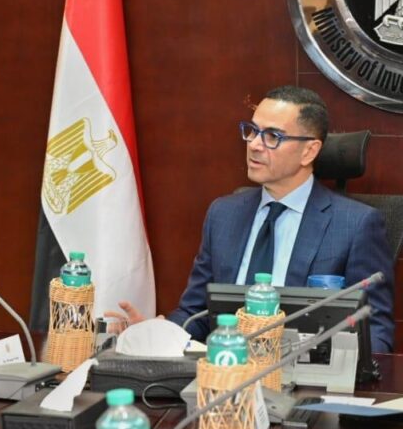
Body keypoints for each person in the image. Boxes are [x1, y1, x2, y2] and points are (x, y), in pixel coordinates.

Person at [106, 86, 395, 353]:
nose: (255, 144)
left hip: (304, 377)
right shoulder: (224, 214)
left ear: (309, 151)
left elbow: (376, 333)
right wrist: (155, 334)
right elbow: (195, 314)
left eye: (272, 136)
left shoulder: (356, 225)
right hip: (224, 370)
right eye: (252, 131)